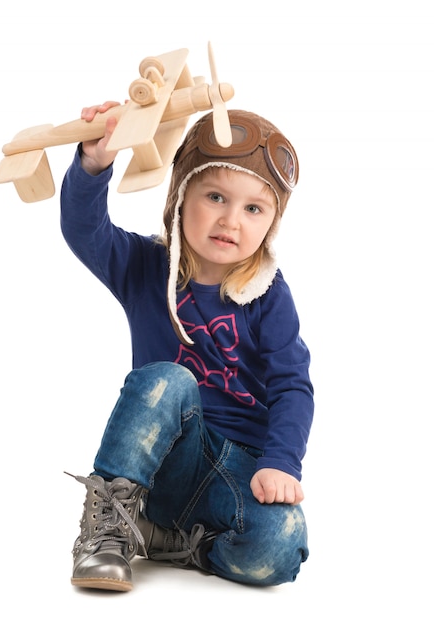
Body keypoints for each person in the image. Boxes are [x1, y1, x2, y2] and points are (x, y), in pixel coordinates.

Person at [60, 101, 314, 591]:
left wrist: (281, 461)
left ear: (270, 224)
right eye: (216, 196)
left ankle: (175, 543)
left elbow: (292, 387)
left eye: (253, 208)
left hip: (233, 470)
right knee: (169, 377)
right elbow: (84, 231)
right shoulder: (144, 266)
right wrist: (94, 165)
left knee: (281, 544)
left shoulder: (268, 293)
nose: (231, 221)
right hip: (158, 466)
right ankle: (109, 527)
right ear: (181, 195)